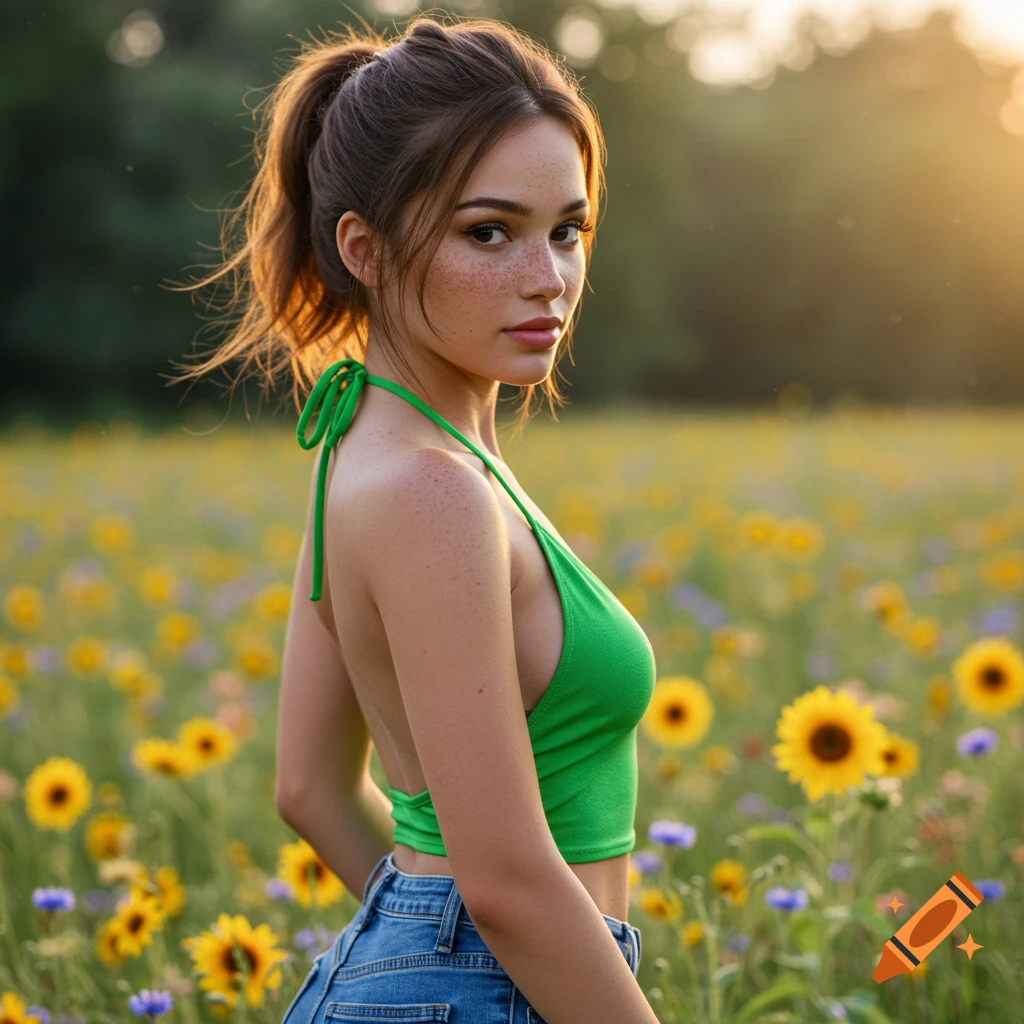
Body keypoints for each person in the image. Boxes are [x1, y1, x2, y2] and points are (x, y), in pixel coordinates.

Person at [168, 15, 659, 1023]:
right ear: (366, 249)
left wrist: (426, 953)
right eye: (490, 231)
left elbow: (308, 787)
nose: (547, 276)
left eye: (566, 228)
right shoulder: (429, 489)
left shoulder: (364, 453)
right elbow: (509, 879)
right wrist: (469, 959)